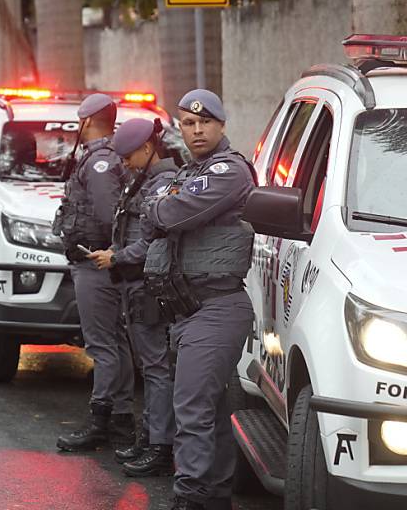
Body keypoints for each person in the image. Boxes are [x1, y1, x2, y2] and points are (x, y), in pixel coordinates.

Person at [144, 90, 256, 510]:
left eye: (204, 123)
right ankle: (215, 496)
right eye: (188, 124)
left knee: (191, 409)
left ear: (221, 125)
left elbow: (169, 214)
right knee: (209, 408)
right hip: (188, 311)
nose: (196, 130)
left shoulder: (229, 171)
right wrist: (160, 206)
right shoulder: (190, 171)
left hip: (217, 306)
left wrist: (161, 207)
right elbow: (152, 214)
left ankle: (189, 497)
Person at [87, 117, 179, 477]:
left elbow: (153, 239)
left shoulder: (162, 183)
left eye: (128, 156)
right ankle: (150, 437)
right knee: (150, 366)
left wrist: (117, 257)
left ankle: (161, 446)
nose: (123, 164)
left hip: (148, 284)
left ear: (147, 148)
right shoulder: (143, 180)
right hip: (136, 283)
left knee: (156, 368)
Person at [53, 93, 135, 451]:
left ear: (87, 121)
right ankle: (120, 420)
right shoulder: (107, 156)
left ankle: (103, 422)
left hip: (96, 264)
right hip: (102, 264)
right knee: (114, 344)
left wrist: (110, 253)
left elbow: (108, 215)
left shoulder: (100, 161)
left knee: (103, 346)